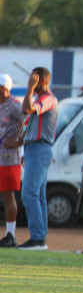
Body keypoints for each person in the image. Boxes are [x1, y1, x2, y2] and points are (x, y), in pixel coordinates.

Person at [16, 68, 59, 250]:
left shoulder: (47, 98)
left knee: (29, 193)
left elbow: (26, 108)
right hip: (34, 149)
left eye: (33, 78)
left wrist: (29, 88)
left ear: (40, 81)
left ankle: (38, 238)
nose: (29, 81)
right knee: (38, 195)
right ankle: (39, 237)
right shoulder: (40, 99)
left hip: (40, 148)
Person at [0, 74, 25, 248]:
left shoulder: (15, 105)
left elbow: (29, 122)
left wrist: (18, 142)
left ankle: (11, 234)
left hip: (9, 158)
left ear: (3, 88)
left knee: (8, 196)